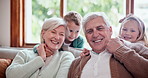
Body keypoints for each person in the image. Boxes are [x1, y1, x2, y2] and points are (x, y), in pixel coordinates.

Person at [68, 12, 148, 78]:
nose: (95, 35)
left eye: (100, 28)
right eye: (90, 31)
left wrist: (120, 51)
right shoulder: (76, 64)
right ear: (86, 36)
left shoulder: (132, 48)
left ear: (110, 30)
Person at [6, 17, 75, 78]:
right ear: (43, 33)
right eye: (53, 32)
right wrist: (40, 58)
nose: (57, 37)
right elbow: (10, 75)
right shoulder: (24, 54)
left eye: (61, 34)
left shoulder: (66, 57)